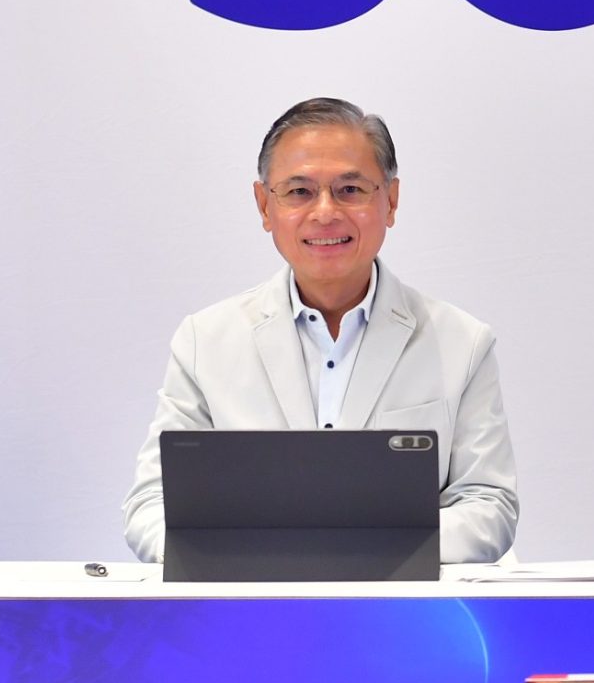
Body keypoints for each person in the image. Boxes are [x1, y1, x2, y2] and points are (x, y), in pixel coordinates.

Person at [123, 98, 517, 564]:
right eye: (299, 192)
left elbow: (489, 506)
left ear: (390, 201)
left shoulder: (462, 342)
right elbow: (151, 506)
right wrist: (268, 557)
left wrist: (347, 551)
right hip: (252, 600)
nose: (325, 212)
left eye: (350, 189)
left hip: (398, 603)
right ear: (264, 205)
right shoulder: (205, 341)